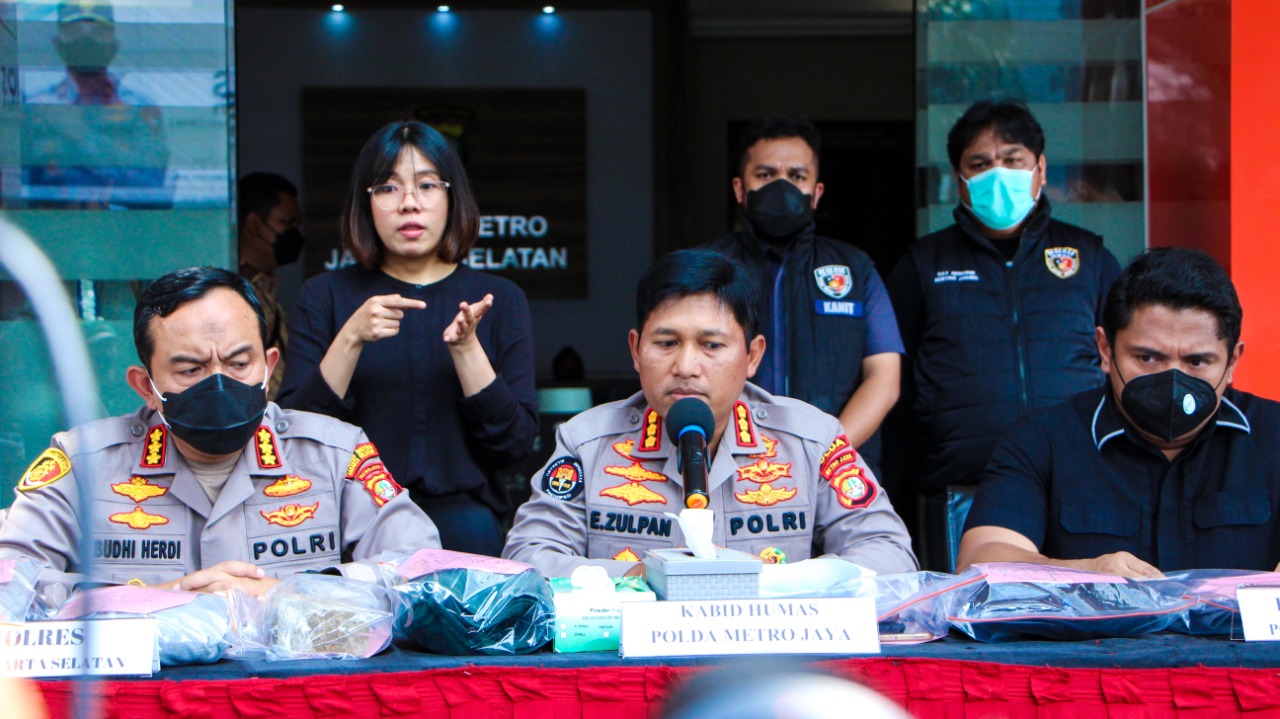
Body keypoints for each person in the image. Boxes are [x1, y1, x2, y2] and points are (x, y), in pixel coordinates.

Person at [0, 267, 441, 598]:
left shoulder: (336, 454)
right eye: (191, 369)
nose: (219, 383)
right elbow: (8, 578)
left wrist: (285, 596)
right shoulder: (81, 463)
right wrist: (164, 599)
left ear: (268, 368)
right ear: (145, 387)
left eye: (238, 364)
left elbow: (423, 572)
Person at [503, 249, 916, 578]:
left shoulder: (811, 440)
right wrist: (648, 576)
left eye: (712, 346)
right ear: (635, 351)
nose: (686, 365)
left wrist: (774, 581)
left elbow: (891, 555)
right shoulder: (587, 443)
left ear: (752, 356)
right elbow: (528, 558)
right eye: (666, 343)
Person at [278, 121, 538, 556]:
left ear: (451, 197)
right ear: (367, 203)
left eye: (427, 185)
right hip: (350, 527)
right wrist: (351, 338)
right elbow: (295, 441)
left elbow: (512, 446)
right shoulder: (325, 296)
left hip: (465, 531)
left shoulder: (500, 300)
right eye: (388, 188)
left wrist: (466, 349)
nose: (410, 204)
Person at [886, 100, 1121, 565]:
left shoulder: (1088, 258)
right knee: (968, 626)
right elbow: (898, 383)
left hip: (1080, 483)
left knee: (1087, 618)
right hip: (959, 490)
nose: (998, 174)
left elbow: (1126, 359)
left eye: (1012, 160)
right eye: (981, 164)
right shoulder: (922, 266)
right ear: (960, 181)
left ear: (1040, 169)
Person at [958, 248, 1280, 576]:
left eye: (1196, 362)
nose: (1173, 379)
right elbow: (979, 563)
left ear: (1232, 362)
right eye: (1147, 358)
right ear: (1106, 349)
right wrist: (1086, 573)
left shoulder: (1274, 436)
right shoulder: (1043, 440)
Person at [705, 116, 902, 472]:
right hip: (730, 472)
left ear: (817, 193)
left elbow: (884, 378)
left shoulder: (855, 270)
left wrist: (827, 456)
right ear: (739, 189)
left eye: (797, 176)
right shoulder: (706, 269)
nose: (782, 187)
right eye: (765, 175)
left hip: (838, 475)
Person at [21, 1, 171, 209]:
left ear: (114, 47)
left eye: (98, 34)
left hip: (122, 234)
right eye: (74, 33)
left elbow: (150, 187)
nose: (86, 41)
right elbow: (18, 190)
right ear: (57, 44)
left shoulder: (139, 110)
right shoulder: (36, 110)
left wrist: (82, 135)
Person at [237, 172, 305, 398]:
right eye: (286, 222)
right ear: (254, 224)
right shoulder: (234, 295)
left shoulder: (263, 289)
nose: (294, 233)